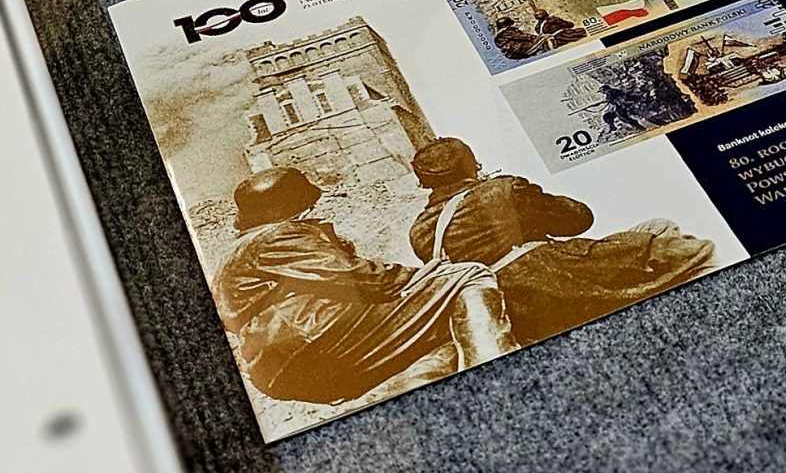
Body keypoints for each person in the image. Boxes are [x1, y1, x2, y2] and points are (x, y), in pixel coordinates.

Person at [214, 167, 486, 408]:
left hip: (280, 367)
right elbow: (363, 278)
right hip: (312, 344)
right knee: (469, 275)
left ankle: (397, 390)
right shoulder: (276, 236)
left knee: (434, 334)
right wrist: (426, 275)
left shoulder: (236, 253)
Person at [408, 137, 715, 349]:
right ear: (470, 165)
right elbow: (579, 219)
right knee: (666, 233)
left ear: (425, 182)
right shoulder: (502, 190)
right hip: (560, 280)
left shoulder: (420, 232)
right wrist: (508, 192)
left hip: (513, 310)